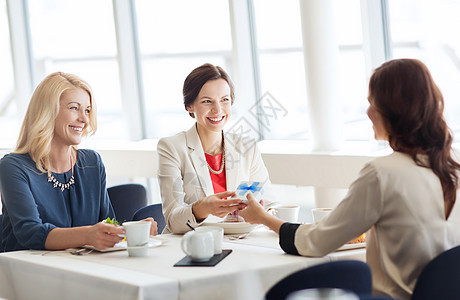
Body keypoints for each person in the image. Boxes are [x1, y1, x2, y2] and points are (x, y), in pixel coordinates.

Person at [239, 59, 460, 299]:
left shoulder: (382, 172)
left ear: (394, 110)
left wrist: (263, 218)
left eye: (372, 104)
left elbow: (318, 241)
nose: (367, 113)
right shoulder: (453, 166)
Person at [0, 72, 157, 252]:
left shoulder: (92, 162)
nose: (84, 119)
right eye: (74, 108)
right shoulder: (13, 167)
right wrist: (88, 235)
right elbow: (30, 233)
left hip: (83, 267)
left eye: (87, 110)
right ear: (47, 111)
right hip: (31, 272)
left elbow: (105, 223)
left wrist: (129, 231)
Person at [157, 63, 274, 234]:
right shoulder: (172, 147)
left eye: (224, 100)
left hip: (241, 242)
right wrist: (202, 208)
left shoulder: (247, 147)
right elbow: (173, 221)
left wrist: (264, 213)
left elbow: (270, 204)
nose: (217, 110)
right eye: (207, 101)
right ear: (189, 106)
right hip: (192, 245)